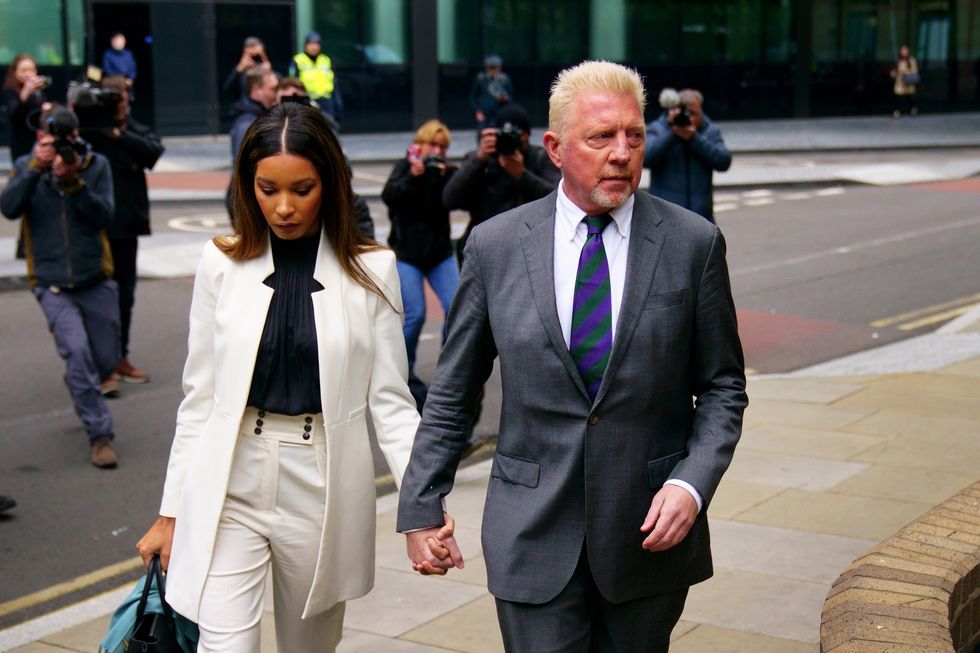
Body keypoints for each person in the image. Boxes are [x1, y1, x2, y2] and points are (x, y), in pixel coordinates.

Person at [397, 60, 747, 652]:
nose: (622, 153)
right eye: (601, 137)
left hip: (647, 539)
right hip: (531, 534)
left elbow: (722, 388)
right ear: (555, 149)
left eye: (634, 136)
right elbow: (454, 389)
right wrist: (422, 504)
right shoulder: (496, 245)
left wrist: (691, 484)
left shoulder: (693, 244)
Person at [135, 102, 422, 653]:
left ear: (330, 184)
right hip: (232, 478)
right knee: (223, 646)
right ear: (248, 186)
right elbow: (200, 398)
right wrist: (171, 512)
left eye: (302, 188)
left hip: (322, 482)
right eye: (267, 189)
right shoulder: (220, 262)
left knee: (308, 647)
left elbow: (391, 404)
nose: (284, 207)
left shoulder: (373, 268)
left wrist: (421, 508)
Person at [0, 107, 121, 469]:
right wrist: (37, 169)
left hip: (95, 278)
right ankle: (100, 435)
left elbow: (105, 215)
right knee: (78, 353)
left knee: (104, 359)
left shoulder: (95, 164)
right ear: (40, 139)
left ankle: (80, 381)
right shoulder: (27, 166)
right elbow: (8, 207)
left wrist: (74, 182)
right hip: (52, 283)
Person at [84, 75, 164, 384]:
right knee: (98, 295)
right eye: (113, 98)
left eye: (124, 97)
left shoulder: (129, 130)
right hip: (95, 225)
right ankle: (99, 363)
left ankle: (119, 357)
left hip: (126, 225)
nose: (120, 104)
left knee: (124, 296)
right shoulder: (89, 130)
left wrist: (117, 134)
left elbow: (153, 151)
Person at [382, 119, 458, 410]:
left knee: (455, 309)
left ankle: (448, 376)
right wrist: (413, 177)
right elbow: (391, 197)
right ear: (420, 144)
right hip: (408, 255)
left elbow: (452, 199)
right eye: (433, 144)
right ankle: (402, 373)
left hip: (439, 254)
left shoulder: (442, 172)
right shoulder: (406, 167)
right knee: (415, 314)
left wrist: (441, 177)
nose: (436, 150)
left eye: (442, 146)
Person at [443, 102, 560, 258]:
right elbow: (450, 199)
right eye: (503, 135)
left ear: (526, 135)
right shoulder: (483, 160)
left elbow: (559, 199)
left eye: (515, 134)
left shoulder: (539, 158)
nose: (510, 141)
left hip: (528, 250)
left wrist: (521, 175)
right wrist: (478, 160)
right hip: (486, 250)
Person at [644, 88, 732, 223]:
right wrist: (672, 134)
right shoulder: (659, 128)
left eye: (693, 113)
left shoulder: (708, 130)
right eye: (685, 113)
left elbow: (723, 161)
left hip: (700, 218)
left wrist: (694, 138)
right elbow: (645, 158)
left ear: (701, 111)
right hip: (666, 217)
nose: (689, 118)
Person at [289, 31, 343, 129]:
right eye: (311, 44)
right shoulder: (298, 60)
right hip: (307, 101)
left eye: (316, 44)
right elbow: (292, 83)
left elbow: (334, 83)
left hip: (326, 101)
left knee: (329, 130)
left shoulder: (326, 60)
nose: (314, 47)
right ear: (305, 45)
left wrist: (337, 104)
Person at [3, 54, 51, 161]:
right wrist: (26, 90)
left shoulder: (38, 91)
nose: (28, 74)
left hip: (37, 139)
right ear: (15, 73)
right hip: (21, 140)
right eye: (23, 70)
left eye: (31, 70)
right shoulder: (10, 91)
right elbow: (13, 113)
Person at [470, 54, 513, 131]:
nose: (493, 70)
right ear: (487, 68)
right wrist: (477, 111)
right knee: (483, 133)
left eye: (496, 67)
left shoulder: (504, 79)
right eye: (491, 68)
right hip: (484, 113)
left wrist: (505, 99)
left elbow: (510, 96)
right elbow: (473, 97)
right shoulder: (481, 79)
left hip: (500, 112)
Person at [222, 36, 271, 102]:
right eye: (252, 56)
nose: (255, 59)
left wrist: (269, 71)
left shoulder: (269, 72)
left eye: (257, 56)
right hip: (245, 108)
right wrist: (239, 69)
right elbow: (227, 89)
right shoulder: (241, 73)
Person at [891, 45, 920, 118]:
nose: (904, 53)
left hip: (908, 82)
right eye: (902, 51)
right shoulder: (899, 60)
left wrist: (906, 72)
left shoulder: (911, 60)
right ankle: (897, 111)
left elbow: (914, 70)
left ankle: (913, 109)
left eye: (905, 51)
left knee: (909, 97)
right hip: (900, 82)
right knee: (898, 98)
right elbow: (896, 69)